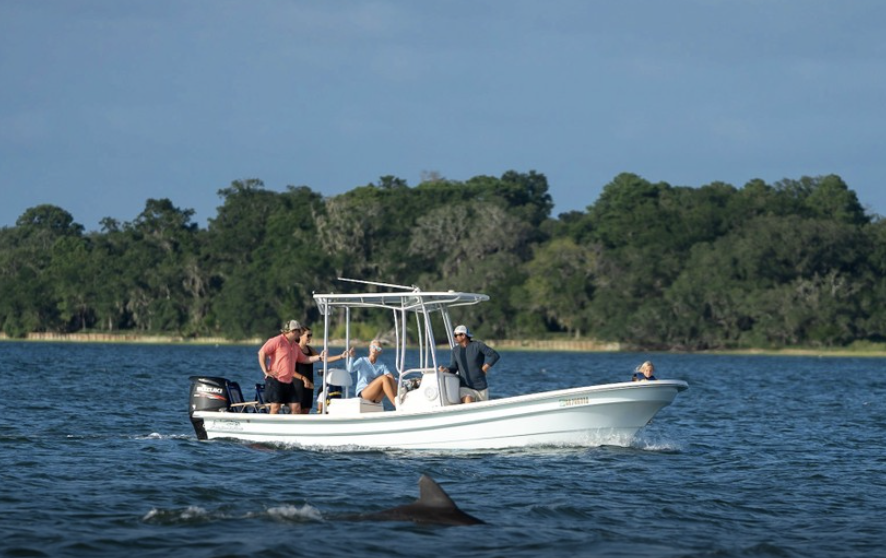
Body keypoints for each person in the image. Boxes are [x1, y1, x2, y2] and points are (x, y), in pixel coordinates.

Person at [257, 320, 325, 414]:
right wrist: (266, 371)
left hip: (289, 382)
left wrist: (319, 357)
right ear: (293, 331)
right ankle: (271, 426)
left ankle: (294, 427)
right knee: (276, 407)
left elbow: (304, 359)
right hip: (276, 380)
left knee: (296, 407)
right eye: (299, 332)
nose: (300, 334)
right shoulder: (277, 340)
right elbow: (262, 352)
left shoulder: (295, 346)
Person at [295, 325, 351, 414]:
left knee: (306, 409)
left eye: (311, 335)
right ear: (300, 336)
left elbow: (325, 359)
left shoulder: (309, 349)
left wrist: (341, 356)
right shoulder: (294, 348)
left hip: (309, 380)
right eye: (308, 335)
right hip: (298, 381)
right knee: (297, 409)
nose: (310, 337)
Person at [439, 325, 500, 403]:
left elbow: (495, 355)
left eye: (456, 335)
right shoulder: (455, 350)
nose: (455, 337)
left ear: (463, 335)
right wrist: (446, 369)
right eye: (454, 335)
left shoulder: (478, 345)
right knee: (468, 400)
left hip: (481, 387)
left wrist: (485, 367)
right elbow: (454, 367)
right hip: (465, 387)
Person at [349, 340, 398, 408]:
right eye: (373, 346)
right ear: (370, 348)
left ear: (380, 352)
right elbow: (350, 370)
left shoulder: (381, 365)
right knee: (384, 378)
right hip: (363, 394)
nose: (375, 349)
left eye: (378, 348)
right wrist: (351, 357)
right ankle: (396, 404)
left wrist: (402, 381)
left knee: (390, 378)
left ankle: (397, 400)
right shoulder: (362, 360)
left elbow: (391, 378)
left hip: (376, 397)